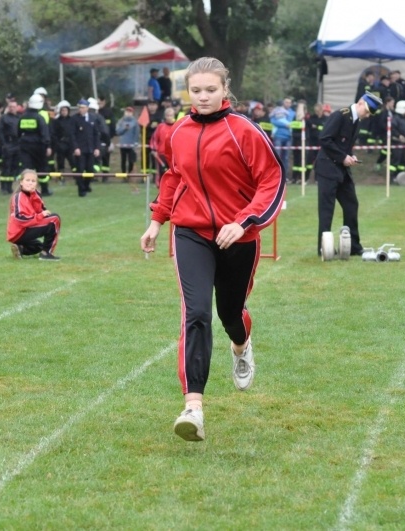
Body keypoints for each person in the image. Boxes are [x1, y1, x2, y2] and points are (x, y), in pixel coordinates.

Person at [139, 57, 285, 442]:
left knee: (229, 313)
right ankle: (193, 407)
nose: (202, 97)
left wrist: (244, 222)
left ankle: (241, 345)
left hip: (239, 237)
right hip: (191, 232)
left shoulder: (245, 131)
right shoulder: (178, 131)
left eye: (210, 90)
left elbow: (272, 180)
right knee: (197, 313)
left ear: (225, 90)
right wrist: (157, 220)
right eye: (196, 90)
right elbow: (174, 177)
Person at [315, 91, 382, 257]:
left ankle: (353, 246)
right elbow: (325, 139)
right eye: (367, 111)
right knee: (327, 209)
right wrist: (343, 157)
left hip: (342, 169)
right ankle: (324, 247)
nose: (367, 115)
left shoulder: (356, 121)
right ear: (360, 103)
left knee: (351, 204)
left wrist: (350, 156)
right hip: (327, 168)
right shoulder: (340, 115)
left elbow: (344, 145)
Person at [7, 169, 61, 261]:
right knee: (54, 219)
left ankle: (20, 249)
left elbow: (41, 210)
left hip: (26, 229)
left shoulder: (34, 194)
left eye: (33, 181)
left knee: (39, 246)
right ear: (21, 182)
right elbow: (19, 218)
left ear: (36, 184)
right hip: (20, 232)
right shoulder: (19, 196)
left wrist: (34, 195)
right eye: (27, 180)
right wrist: (40, 216)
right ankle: (46, 254)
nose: (30, 183)